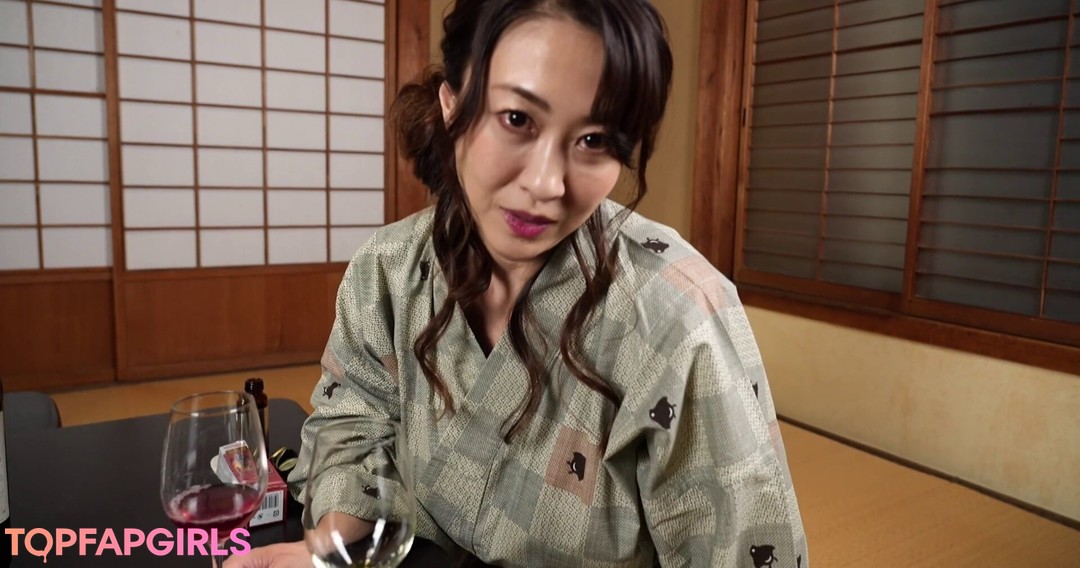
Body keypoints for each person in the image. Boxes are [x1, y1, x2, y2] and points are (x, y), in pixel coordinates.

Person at [226, 0, 808, 566]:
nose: (547, 183)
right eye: (517, 119)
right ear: (452, 105)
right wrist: (330, 550)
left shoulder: (678, 318)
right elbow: (353, 422)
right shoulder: (388, 268)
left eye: (595, 140)